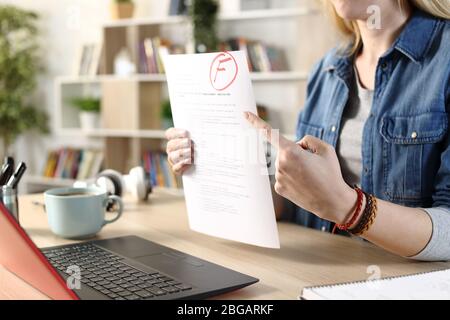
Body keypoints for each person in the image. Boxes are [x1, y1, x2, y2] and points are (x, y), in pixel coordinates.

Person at [165, 0, 450, 261]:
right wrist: (212, 165)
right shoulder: (325, 70)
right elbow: (297, 203)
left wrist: (350, 208)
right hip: (323, 274)